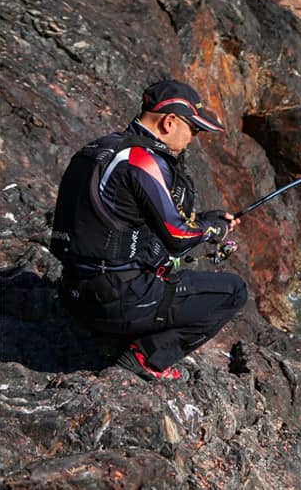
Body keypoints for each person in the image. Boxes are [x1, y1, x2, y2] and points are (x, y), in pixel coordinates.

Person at [50, 79, 248, 381]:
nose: (193, 139)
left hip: (74, 295)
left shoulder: (97, 149)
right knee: (233, 292)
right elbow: (178, 237)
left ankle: (109, 337)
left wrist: (203, 218)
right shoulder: (141, 159)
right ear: (169, 122)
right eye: (193, 130)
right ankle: (146, 358)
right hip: (116, 302)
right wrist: (212, 230)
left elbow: (123, 219)